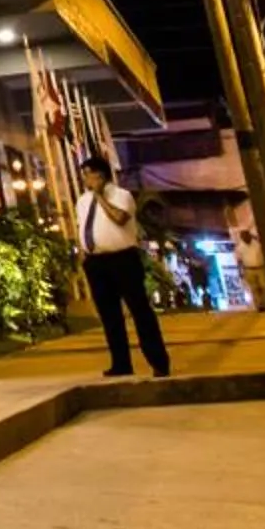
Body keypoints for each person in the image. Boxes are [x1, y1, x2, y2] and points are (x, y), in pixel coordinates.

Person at [74, 152, 170, 378]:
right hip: (96, 262)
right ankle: (121, 363)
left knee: (139, 310)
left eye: (90, 174)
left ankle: (158, 361)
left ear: (102, 175)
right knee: (109, 315)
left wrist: (100, 197)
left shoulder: (121, 195)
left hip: (122, 259)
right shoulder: (82, 201)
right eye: (84, 175)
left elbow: (119, 219)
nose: (86, 179)